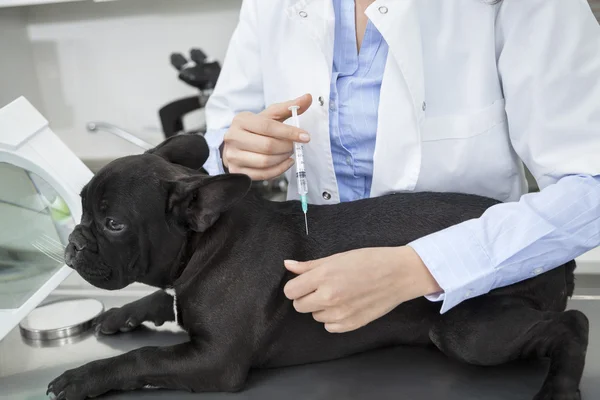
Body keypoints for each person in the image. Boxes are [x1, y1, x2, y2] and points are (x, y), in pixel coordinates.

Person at [202, 0, 600, 333]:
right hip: (318, 313)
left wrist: (420, 268)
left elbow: (590, 183)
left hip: (475, 311)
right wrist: (230, 152)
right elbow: (218, 137)